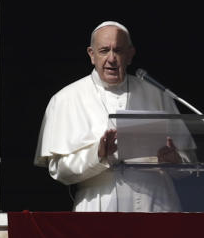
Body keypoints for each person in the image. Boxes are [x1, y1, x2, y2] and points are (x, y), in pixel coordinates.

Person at [34, 21, 185, 212]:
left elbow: (189, 163)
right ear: (91, 54)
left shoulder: (158, 95)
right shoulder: (66, 98)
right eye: (104, 50)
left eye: (119, 51)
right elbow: (58, 170)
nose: (112, 58)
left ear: (130, 55)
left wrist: (175, 162)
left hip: (157, 204)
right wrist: (98, 154)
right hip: (99, 204)